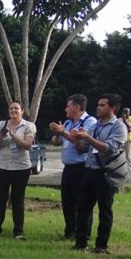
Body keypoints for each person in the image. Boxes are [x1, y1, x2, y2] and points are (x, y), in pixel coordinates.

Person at [72, 94, 128, 253]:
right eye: (98, 104)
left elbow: (109, 148)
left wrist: (87, 138)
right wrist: (76, 138)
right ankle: (80, 242)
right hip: (89, 171)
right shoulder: (95, 126)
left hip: (105, 173)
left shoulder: (119, 126)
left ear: (112, 108)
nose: (98, 107)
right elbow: (82, 148)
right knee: (83, 208)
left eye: (102, 105)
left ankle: (101, 245)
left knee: (105, 210)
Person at [49, 94, 97, 240]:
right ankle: (70, 231)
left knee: (82, 203)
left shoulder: (90, 122)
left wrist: (62, 132)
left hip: (82, 167)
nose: (65, 109)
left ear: (77, 107)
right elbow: (56, 142)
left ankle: (83, 233)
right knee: (68, 201)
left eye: (68, 106)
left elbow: (81, 143)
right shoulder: (69, 123)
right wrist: (57, 134)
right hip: (68, 168)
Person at [0, 101, 36, 240]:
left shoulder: (29, 125)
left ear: (22, 111)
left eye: (16, 108)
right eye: (11, 108)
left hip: (21, 167)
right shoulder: (2, 124)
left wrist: (13, 135)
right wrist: (1, 135)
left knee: (18, 199)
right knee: (0, 198)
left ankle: (18, 232)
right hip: (2, 166)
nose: (13, 110)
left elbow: (27, 145)